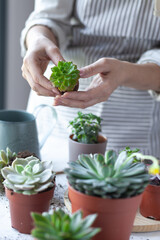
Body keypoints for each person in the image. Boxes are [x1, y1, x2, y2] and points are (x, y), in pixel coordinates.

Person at [21, 0, 160, 166]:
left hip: (138, 120)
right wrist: (38, 38)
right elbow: (47, 17)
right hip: (57, 116)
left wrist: (125, 73)